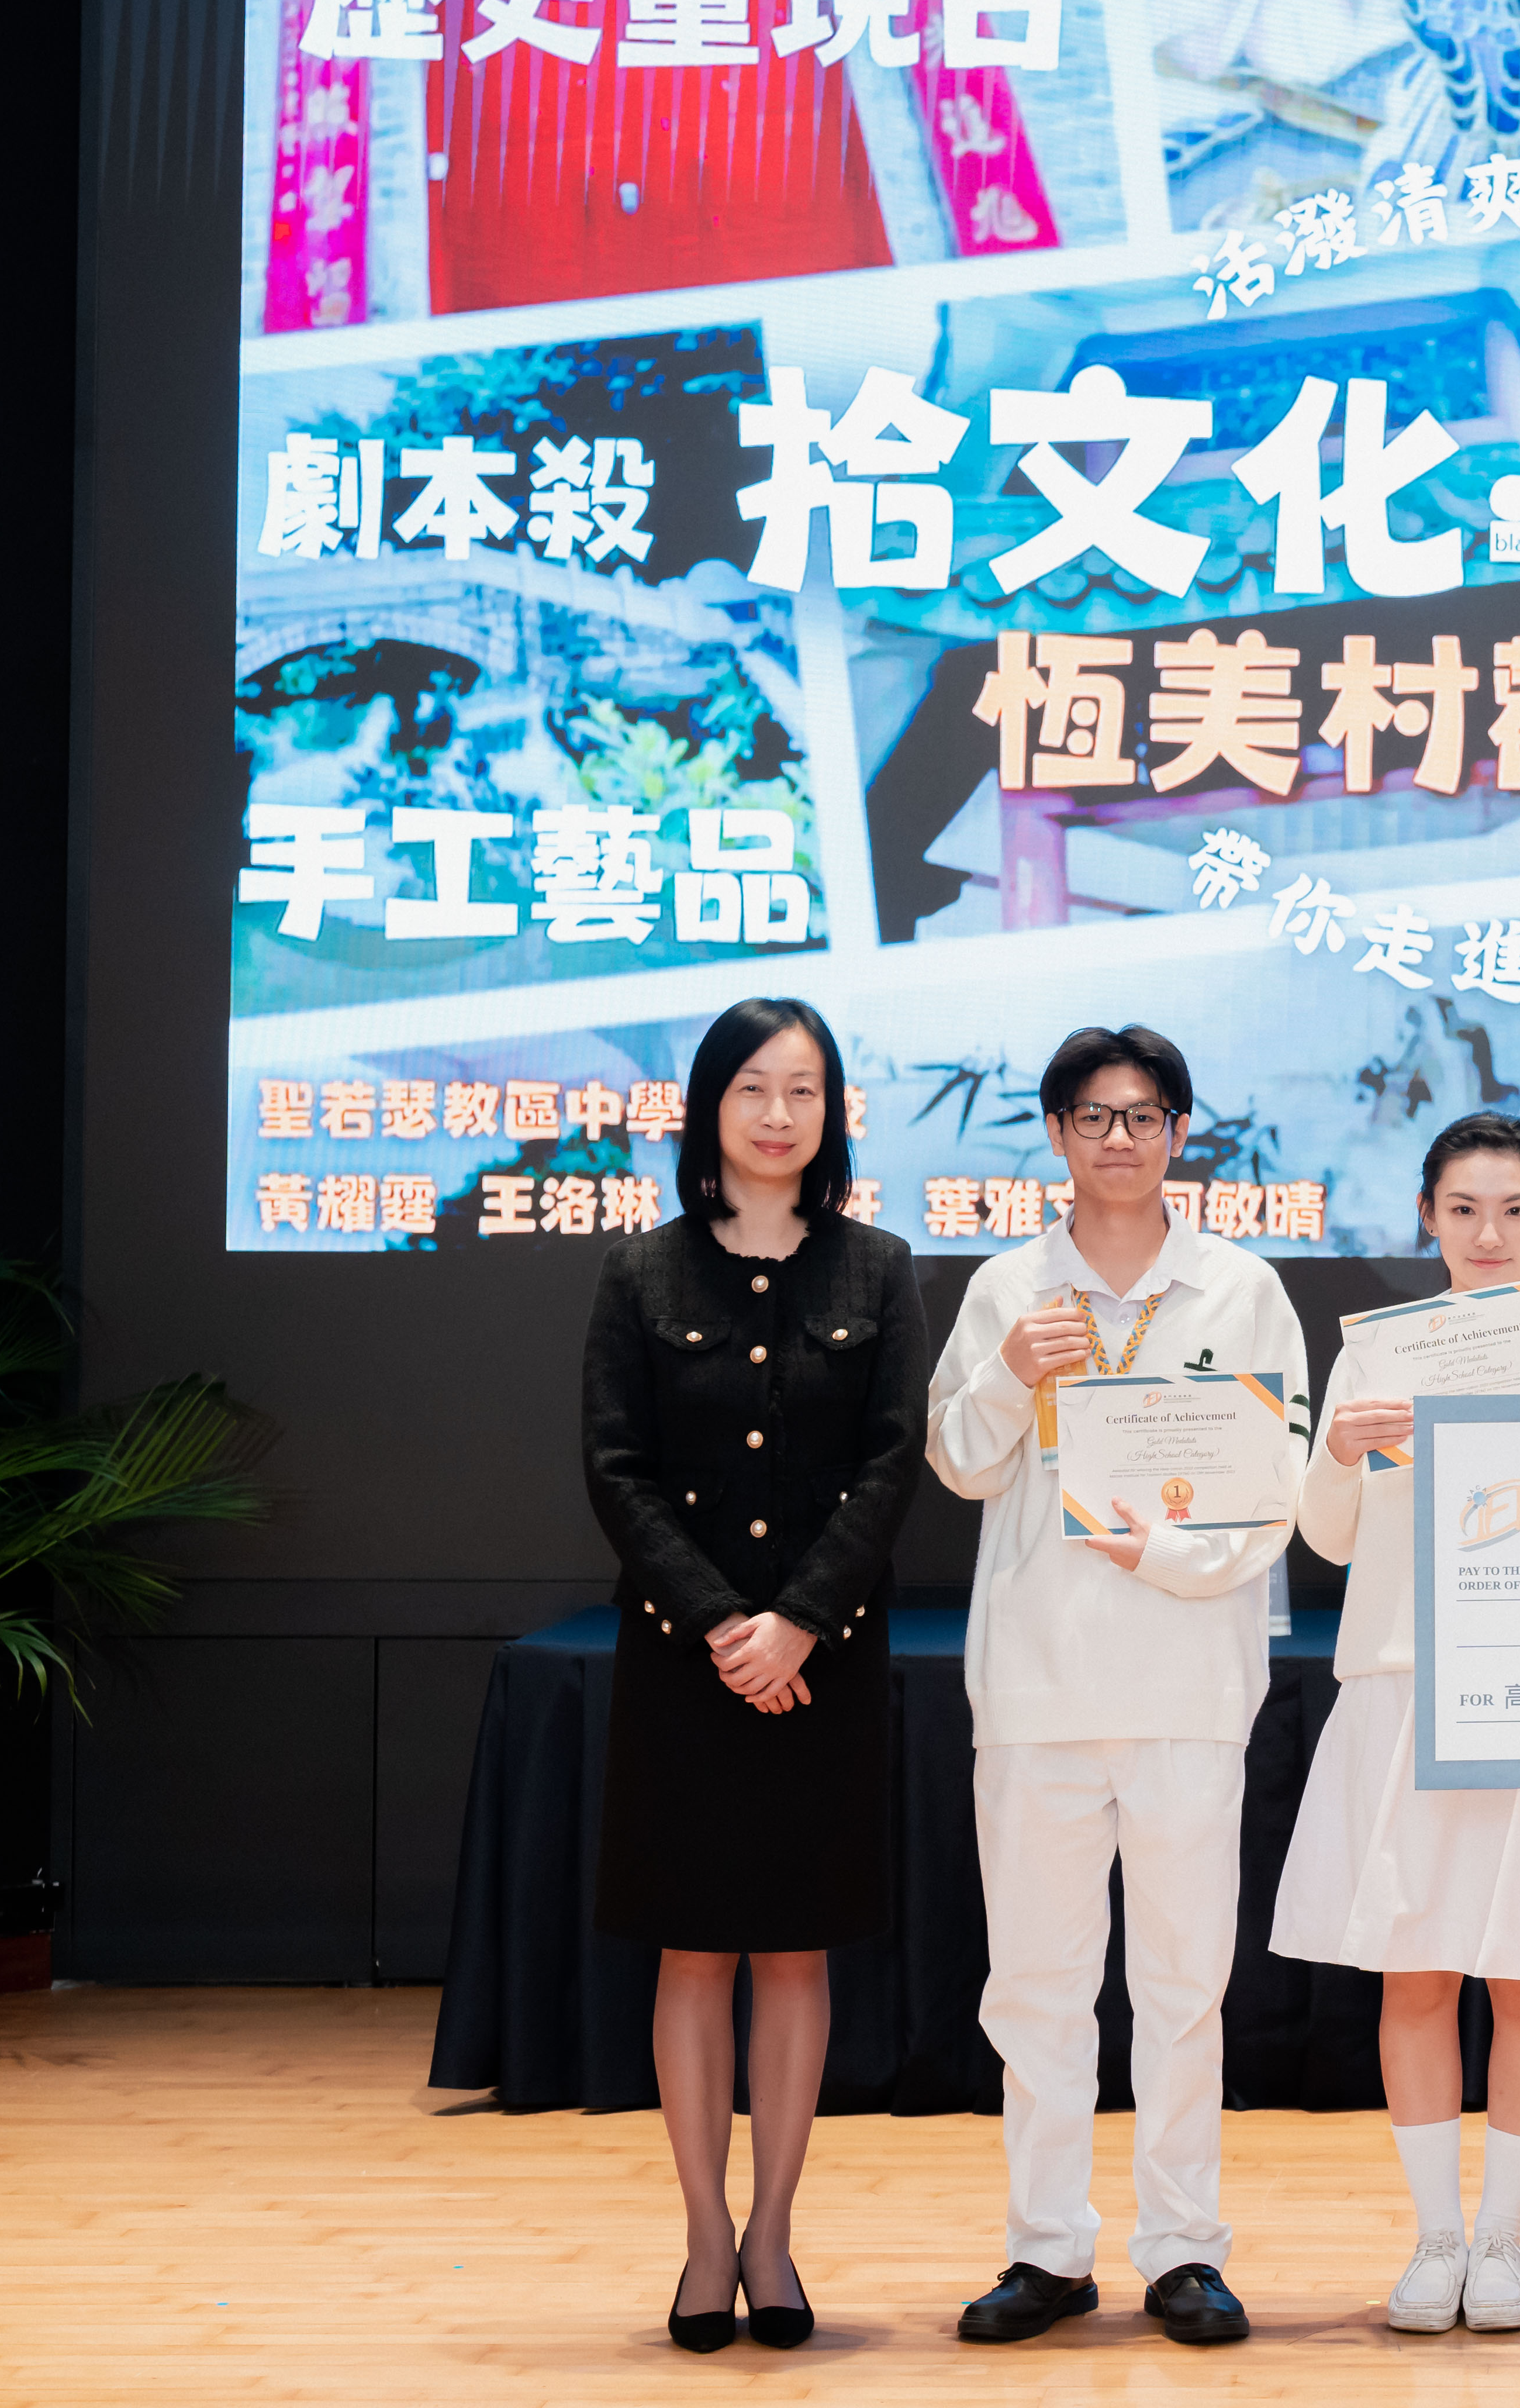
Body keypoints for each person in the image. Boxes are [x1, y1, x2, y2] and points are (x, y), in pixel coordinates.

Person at [923, 1026, 1303, 2350]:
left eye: (1144, 1115)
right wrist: (1010, 1370)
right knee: (1035, 1983)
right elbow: (959, 1462)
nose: (1120, 1138)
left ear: (1181, 1132)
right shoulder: (1006, 1288)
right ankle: (1047, 2251)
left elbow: (1276, 1490)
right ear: (1057, 1133)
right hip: (1036, 1685)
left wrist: (1170, 1557)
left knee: (1185, 1983)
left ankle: (1185, 2250)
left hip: (1191, 1681)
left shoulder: (1242, 1287)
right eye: (1094, 1115)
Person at [581, 996, 930, 2354]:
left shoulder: (879, 1267)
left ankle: (773, 2233)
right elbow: (617, 1469)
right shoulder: (643, 1271)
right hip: (685, 1662)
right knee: (694, 1945)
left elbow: (890, 1465)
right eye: (752, 1088)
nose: (779, 1114)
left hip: (824, 1662)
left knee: (793, 1949)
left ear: (833, 1112)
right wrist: (729, 1623)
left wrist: (799, 1624)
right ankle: (702, 2235)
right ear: (709, 1107)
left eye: (804, 1090)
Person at [1277, 1113, 1520, 2335]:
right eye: (1465, 1209)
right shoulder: (1377, 1361)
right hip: (1404, 1688)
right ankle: (1436, 2235)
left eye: (1515, 1210)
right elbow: (1330, 1537)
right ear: (1427, 1219)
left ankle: (1502, 2239)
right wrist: (1339, 1453)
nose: (1490, 1234)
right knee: (1417, 1973)